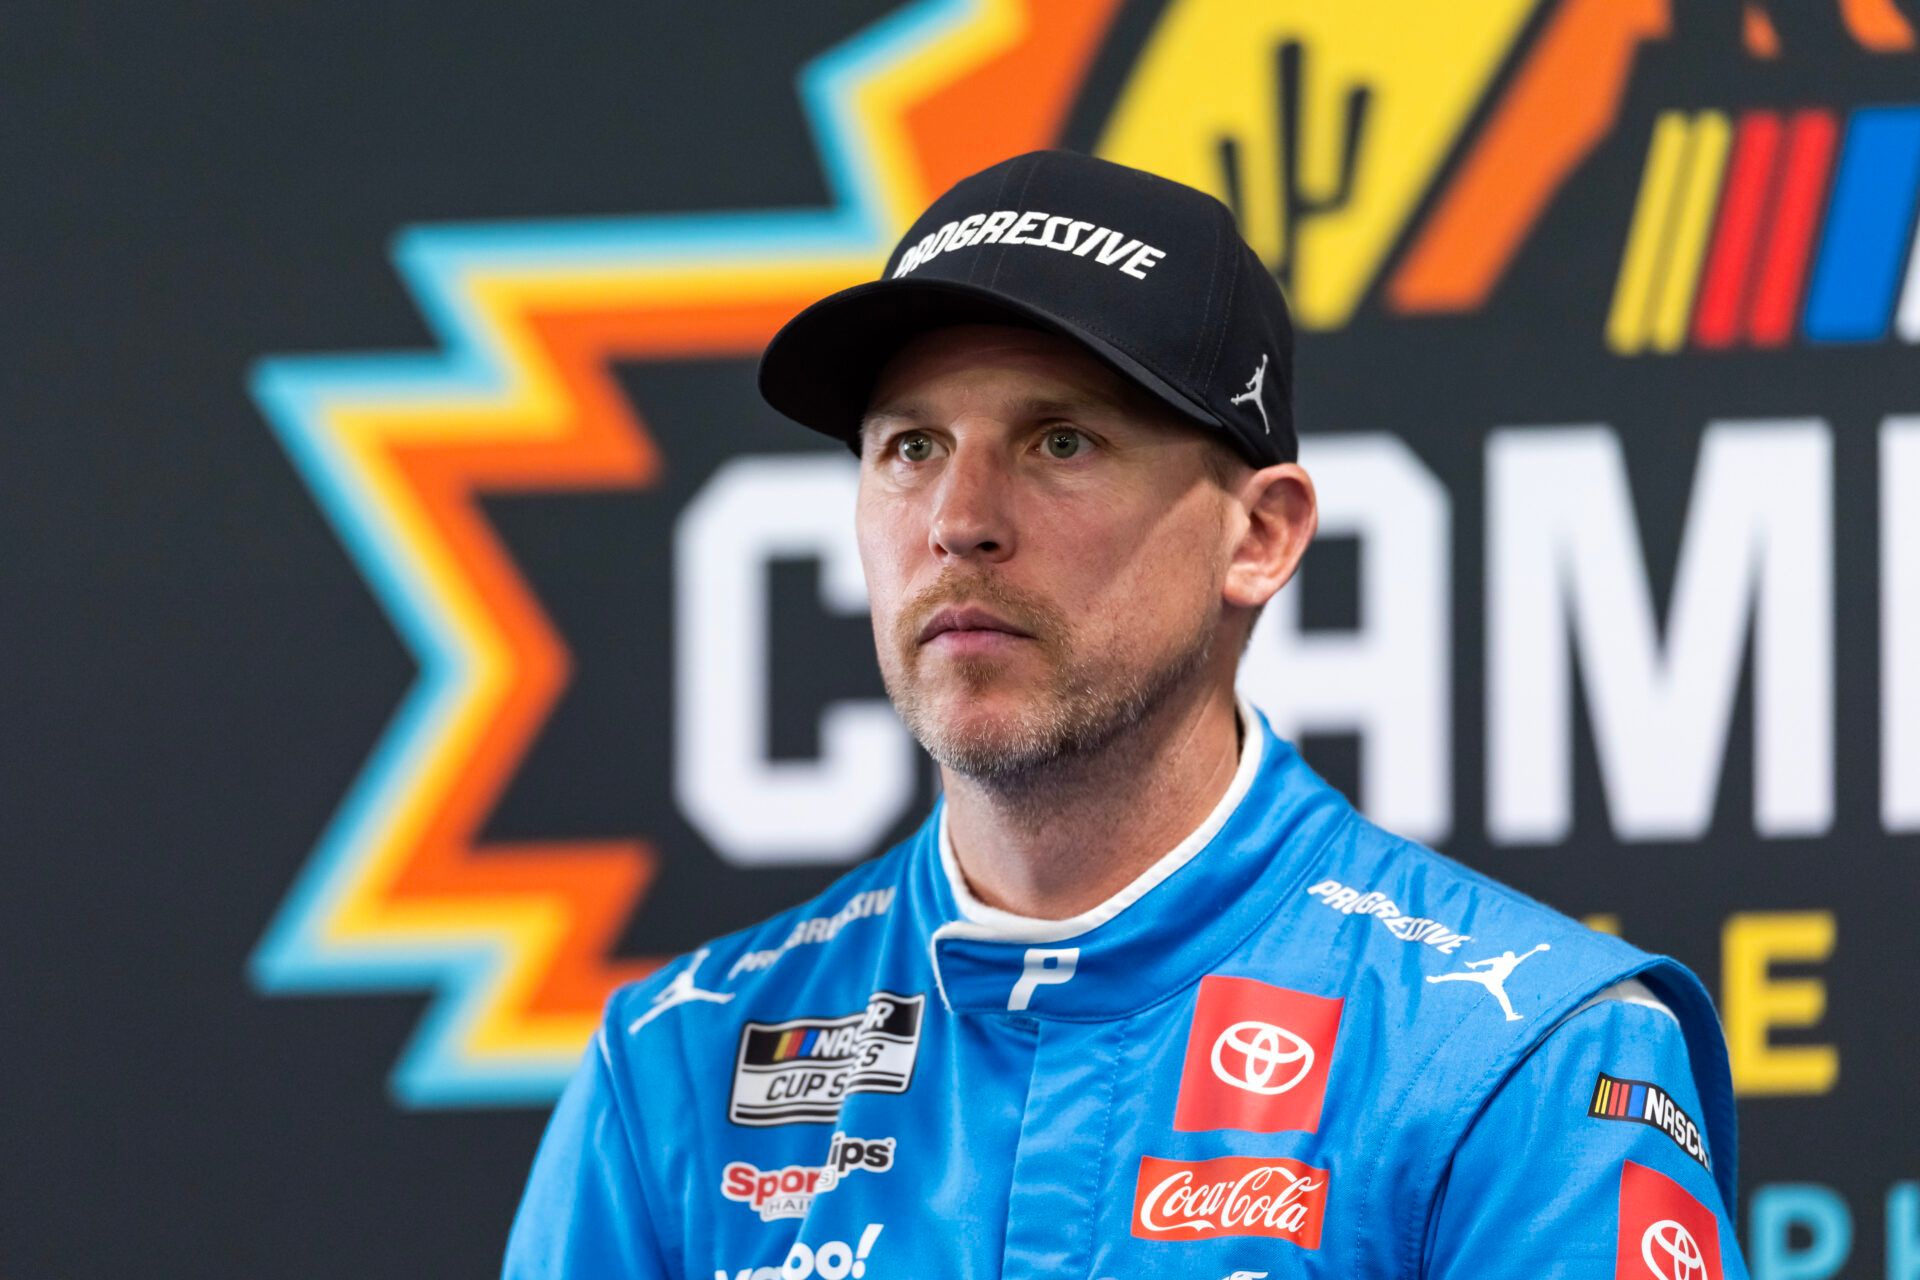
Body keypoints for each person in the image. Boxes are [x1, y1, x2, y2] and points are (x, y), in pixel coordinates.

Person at [504, 150, 1749, 1279]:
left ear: (1258, 535)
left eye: (1061, 442)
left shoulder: (1520, 1054)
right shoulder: (676, 1068)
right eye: (911, 447)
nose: (958, 519)